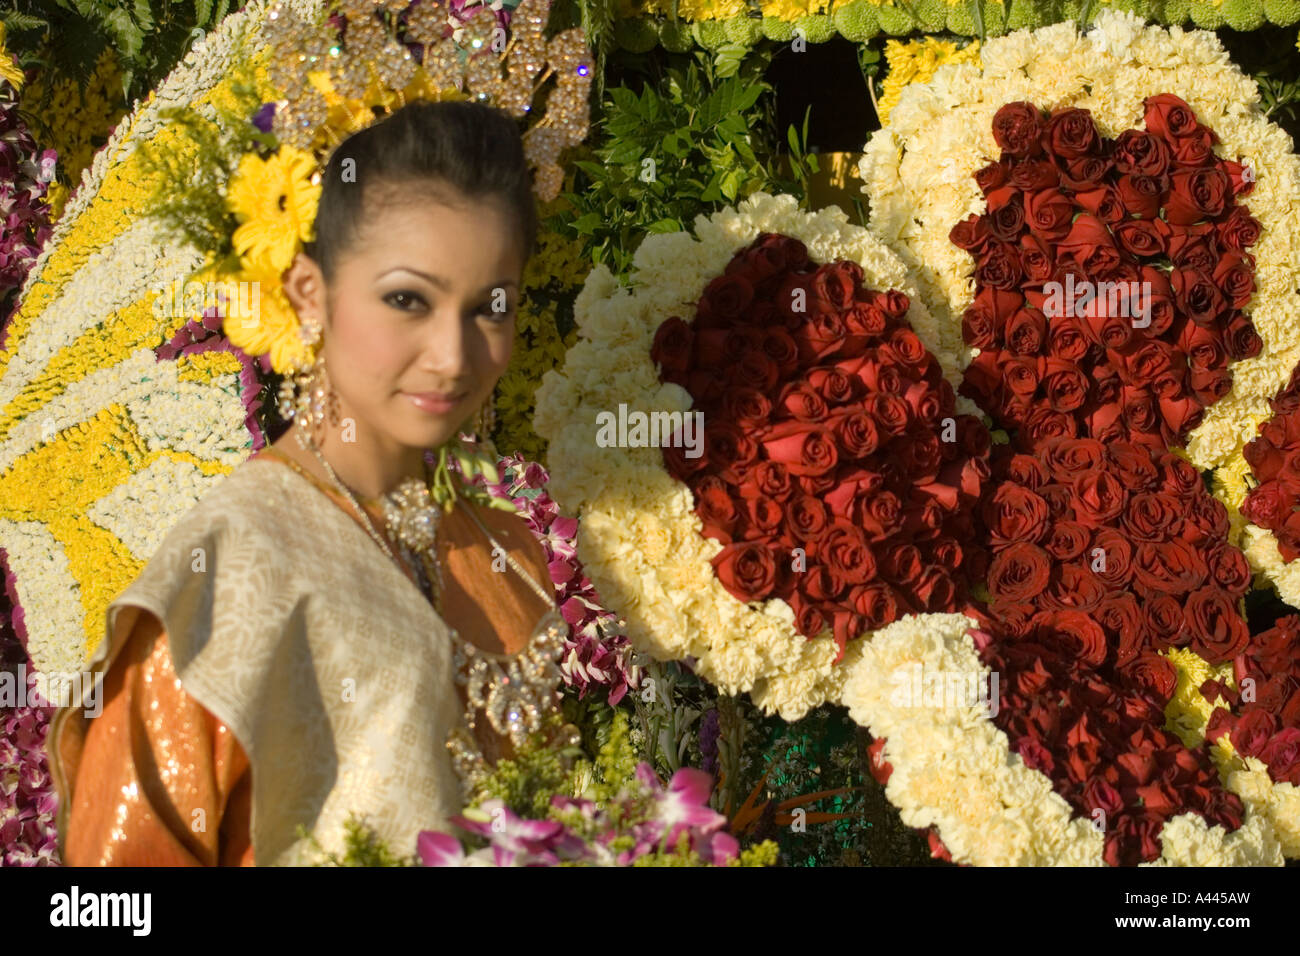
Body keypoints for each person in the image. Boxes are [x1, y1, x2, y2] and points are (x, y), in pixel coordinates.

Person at [47, 100, 570, 866]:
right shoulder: (233, 569)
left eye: (491, 309)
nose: (453, 357)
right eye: (407, 300)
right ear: (309, 294)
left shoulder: (507, 552)